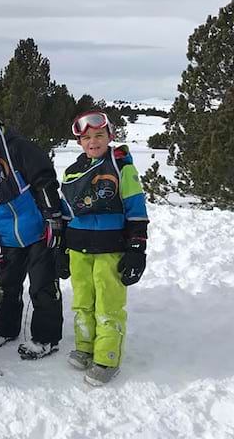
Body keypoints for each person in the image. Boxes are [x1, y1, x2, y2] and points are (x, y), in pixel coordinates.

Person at [0, 101, 63, 359]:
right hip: (9, 234)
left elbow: (44, 178)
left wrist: (52, 217)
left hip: (39, 230)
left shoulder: (17, 147)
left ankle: (45, 337)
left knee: (41, 286)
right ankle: (5, 327)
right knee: (6, 285)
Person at [58, 111, 149, 386]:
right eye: (86, 138)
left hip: (110, 248)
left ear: (110, 137)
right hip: (78, 248)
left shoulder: (123, 168)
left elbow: (136, 210)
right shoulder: (72, 171)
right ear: (79, 142)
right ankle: (85, 347)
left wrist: (136, 248)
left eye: (99, 136)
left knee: (108, 304)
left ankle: (107, 357)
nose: (93, 141)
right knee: (83, 301)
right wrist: (60, 249)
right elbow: (65, 213)